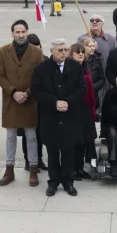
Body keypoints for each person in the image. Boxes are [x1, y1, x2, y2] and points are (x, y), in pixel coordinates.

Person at [32, 37, 86, 197]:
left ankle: (68, 182)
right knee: (53, 151)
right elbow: (36, 90)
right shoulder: (41, 68)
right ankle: (53, 182)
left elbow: (82, 88)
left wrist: (67, 102)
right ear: (52, 51)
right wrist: (54, 102)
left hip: (70, 115)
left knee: (69, 151)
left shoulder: (75, 67)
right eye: (60, 50)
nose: (63, 53)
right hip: (50, 116)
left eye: (65, 50)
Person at [0, 20, 43, 187]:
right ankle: (9, 170)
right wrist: (13, 92)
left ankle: (33, 168)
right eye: (17, 32)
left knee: (31, 136)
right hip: (11, 100)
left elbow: (40, 77)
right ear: (12, 33)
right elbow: (0, 75)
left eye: (23, 32)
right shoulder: (3, 51)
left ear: (27, 32)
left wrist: (27, 93)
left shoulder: (37, 52)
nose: (21, 35)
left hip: (30, 100)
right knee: (10, 136)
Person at [69, 43, 97, 181]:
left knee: (83, 141)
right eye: (77, 52)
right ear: (72, 54)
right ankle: (72, 169)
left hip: (86, 110)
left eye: (82, 52)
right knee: (74, 142)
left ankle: (79, 168)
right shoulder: (69, 68)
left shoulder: (86, 68)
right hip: (74, 110)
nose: (80, 54)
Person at [81, 37, 107, 109]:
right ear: (83, 47)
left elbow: (102, 79)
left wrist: (93, 87)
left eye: (93, 46)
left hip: (94, 95)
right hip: (82, 97)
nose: (92, 48)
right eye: (90, 46)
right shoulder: (79, 61)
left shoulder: (97, 60)